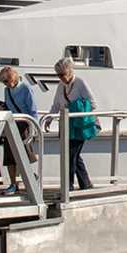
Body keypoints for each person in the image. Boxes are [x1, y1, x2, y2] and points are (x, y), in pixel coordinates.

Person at [48, 57, 95, 191]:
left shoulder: (80, 83)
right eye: (58, 75)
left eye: (61, 75)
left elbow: (92, 103)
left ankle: (68, 187)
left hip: (78, 125)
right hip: (66, 124)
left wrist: (76, 108)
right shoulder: (61, 86)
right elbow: (56, 104)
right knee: (74, 155)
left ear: (69, 72)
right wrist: (49, 118)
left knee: (70, 155)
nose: (60, 78)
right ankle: (85, 183)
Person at [0, 66, 38, 195]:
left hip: (23, 123)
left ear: (12, 79)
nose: (5, 84)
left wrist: (34, 128)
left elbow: (32, 109)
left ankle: (31, 177)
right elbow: (8, 105)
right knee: (9, 155)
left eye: (5, 81)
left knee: (22, 154)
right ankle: (13, 184)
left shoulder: (26, 89)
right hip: (11, 123)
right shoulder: (7, 90)